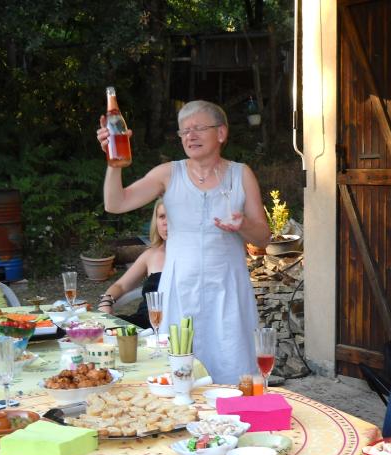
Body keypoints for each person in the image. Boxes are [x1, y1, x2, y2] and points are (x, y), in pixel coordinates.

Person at [97, 100, 271, 384]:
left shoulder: (241, 174)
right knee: (180, 375)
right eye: (184, 131)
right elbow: (115, 204)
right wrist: (113, 163)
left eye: (199, 128)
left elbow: (263, 237)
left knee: (234, 373)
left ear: (221, 133)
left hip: (228, 291)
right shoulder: (168, 173)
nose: (190, 136)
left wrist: (244, 225)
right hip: (180, 291)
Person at [97, 199, 167, 330]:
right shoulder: (150, 255)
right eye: (162, 216)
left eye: (171, 217)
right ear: (156, 221)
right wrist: (106, 302)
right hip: (144, 324)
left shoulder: (195, 257)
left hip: (179, 328)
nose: (166, 222)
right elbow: (121, 286)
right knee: (88, 329)